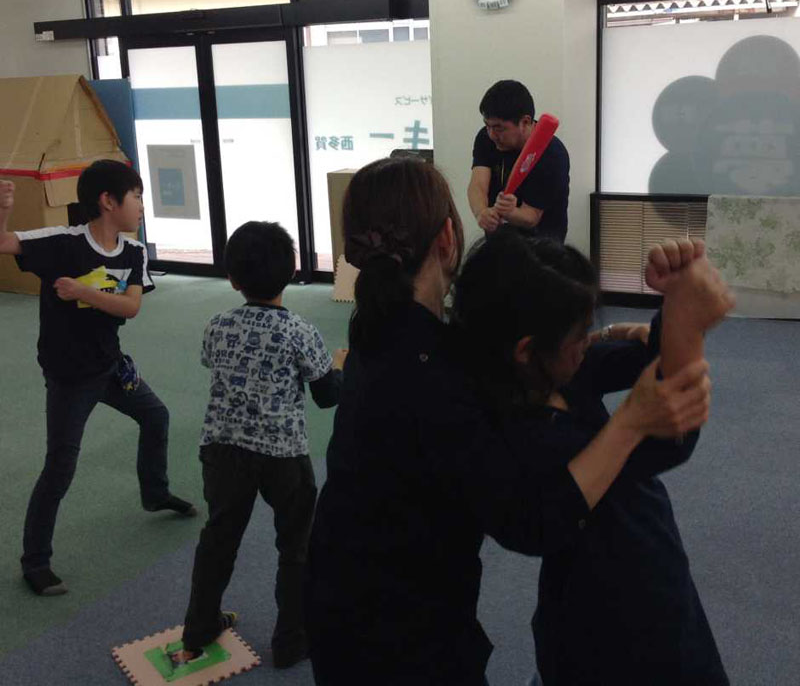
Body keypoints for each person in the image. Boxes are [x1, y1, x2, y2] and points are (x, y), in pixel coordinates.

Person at [305, 157, 711, 686]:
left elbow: (568, 364)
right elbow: (533, 521)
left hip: (341, 596)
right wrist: (632, 419)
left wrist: (653, 327)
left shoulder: (386, 334)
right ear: (448, 237)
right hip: (399, 639)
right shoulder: (446, 379)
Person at [451, 228, 734, 685]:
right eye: (580, 334)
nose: (590, 340)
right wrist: (635, 414)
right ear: (526, 350)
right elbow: (669, 439)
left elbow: (643, 358)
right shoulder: (520, 435)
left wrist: (673, 303)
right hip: (616, 631)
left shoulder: (557, 375)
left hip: (640, 585)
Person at [0, 161, 195, 598]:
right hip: (70, 378)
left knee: (156, 416)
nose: (142, 206)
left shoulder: (133, 252)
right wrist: (4, 209)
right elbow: (3, 242)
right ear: (108, 201)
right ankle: (35, 562)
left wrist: (82, 292)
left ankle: (155, 493)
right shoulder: (62, 243)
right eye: (137, 197)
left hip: (111, 367)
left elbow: (131, 307)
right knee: (60, 467)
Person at [171, 221, 346, 670]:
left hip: (222, 451)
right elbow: (327, 396)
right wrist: (339, 366)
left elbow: (211, 362)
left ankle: (199, 627)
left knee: (219, 539)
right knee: (296, 547)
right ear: (291, 273)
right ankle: (291, 640)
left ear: (232, 279)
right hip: (283, 456)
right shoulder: (301, 331)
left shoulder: (217, 325)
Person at [467, 79, 570, 241]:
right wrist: (481, 212)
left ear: (525, 122)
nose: (492, 134)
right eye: (487, 126)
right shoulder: (486, 138)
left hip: (541, 245)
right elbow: (477, 184)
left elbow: (531, 217)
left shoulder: (552, 153)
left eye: (499, 128)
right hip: (499, 242)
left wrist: (510, 212)